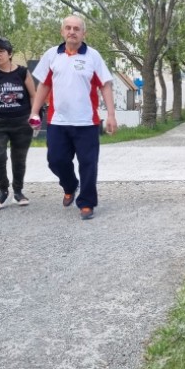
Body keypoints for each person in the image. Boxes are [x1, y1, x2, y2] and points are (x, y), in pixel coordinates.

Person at [29, 15, 117, 220]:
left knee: (88, 163)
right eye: (68, 28)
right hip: (57, 121)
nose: (72, 32)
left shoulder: (93, 56)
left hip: (86, 121)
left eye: (77, 28)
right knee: (55, 160)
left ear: (83, 33)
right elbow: (44, 85)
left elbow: (105, 84)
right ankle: (70, 185)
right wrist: (34, 111)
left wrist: (111, 115)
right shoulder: (52, 55)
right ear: (62, 32)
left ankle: (86, 203)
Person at [0, 37, 37, 209]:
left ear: (9, 54)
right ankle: (3, 191)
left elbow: (33, 95)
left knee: (19, 158)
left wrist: (34, 116)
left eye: (1, 51)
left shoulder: (22, 72)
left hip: (21, 122)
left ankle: (18, 191)